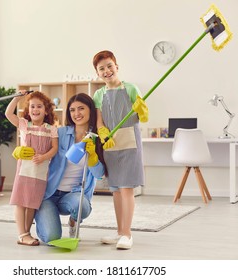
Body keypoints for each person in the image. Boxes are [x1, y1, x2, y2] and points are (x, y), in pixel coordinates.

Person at [92, 50, 149, 250]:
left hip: (130, 144)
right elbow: (99, 121)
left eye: (109, 66)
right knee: (115, 190)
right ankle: (119, 232)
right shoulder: (98, 94)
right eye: (101, 69)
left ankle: (128, 234)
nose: (107, 71)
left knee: (126, 189)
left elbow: (142, 117)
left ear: (117, 66)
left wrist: (142, 110)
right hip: (111, 145)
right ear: (97, 73)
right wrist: (102, 132)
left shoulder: (132, 88)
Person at [34, 93, 105, 243]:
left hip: (73, 195)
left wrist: (92, 157)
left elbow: (99, 175)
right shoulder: (60, 133)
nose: (76, 114)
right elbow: (38, 147)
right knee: (52, 239)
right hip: (49, 194)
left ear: (90, 110)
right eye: (72, 110)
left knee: (82, 207)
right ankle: (46, 220)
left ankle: (73, 221)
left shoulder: (97, 138)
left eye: (81, 109)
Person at [5, 91, 58, 246]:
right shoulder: (23, 124)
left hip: (40, 172)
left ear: (46, 110)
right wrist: (16, 98)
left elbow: (54, 148)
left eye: (39, 106)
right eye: (32, 106)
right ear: (28, 110)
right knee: (21, 202)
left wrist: (44, 156)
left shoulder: (51, 129)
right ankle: (22, 234)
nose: (35, 109)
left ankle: (26, 233)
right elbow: (8, 113)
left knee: (32, 204)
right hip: (24, 171)